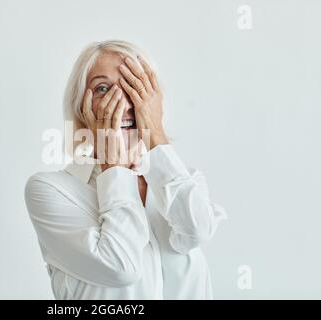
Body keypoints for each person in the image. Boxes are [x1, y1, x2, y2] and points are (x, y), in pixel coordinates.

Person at [24, 40, 227, 299]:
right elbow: (121, 267)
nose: (123, 102)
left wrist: (155, 132)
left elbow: (196, 231)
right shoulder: (51, 190)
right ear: (81, 110)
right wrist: (114, 166)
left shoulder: (184, 179)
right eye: (103, 88)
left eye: (134, 86)